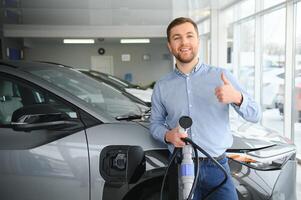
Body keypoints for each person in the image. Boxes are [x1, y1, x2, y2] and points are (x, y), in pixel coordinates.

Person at [150, 17, 261, 200]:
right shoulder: (162, 86)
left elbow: (255, 114)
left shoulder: (221, 76)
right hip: (180, 167)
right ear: (170, 46)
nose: (184, 42)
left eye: (189, 36)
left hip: (217, 166)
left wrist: (237, 98)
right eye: (177, 37)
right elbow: (154, 124)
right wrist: (168, 135)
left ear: (198, 41)